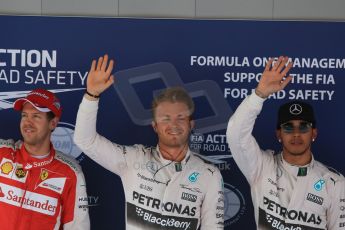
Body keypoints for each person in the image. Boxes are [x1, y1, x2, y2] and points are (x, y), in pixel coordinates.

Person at [74, 54, 224, 230]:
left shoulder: (209, 174)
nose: (173, 125)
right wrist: (92, 95)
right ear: (155, 126)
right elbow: (85, 140)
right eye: (166, 119)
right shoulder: (134, 159)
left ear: (191, 124)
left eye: (180, 118)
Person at [227, 56, 345, 230]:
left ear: (314, 133)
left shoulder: (334, 182)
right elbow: (235, 134)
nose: (296, 133)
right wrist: (259, 94)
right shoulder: (261, 167)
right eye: (288, 127)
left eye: (303, 127)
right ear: (279, 134)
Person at [0, 88, 90, 230]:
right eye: (24, 115)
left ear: (53, 123)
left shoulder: (70, 173)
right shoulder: (2, 153)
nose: (27, 123)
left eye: (36, 116)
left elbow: (78, 227)